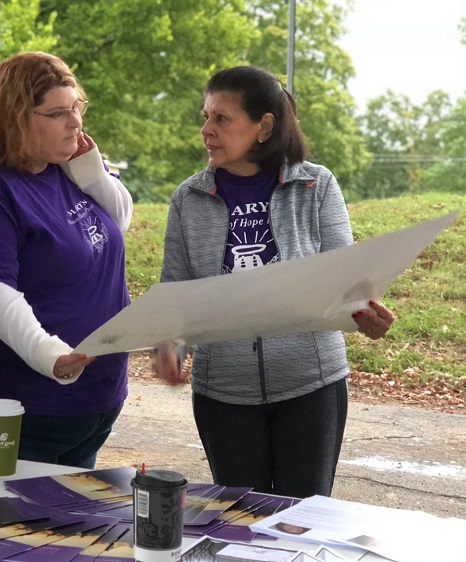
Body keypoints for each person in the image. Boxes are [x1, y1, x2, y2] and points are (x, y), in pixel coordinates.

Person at [154, 66, 395, 498]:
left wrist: (366, 316)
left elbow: (347, 283)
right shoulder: (187, 199)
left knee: (301, 524)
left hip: (311, 387)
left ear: (264, 125)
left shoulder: (316, 186)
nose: (206, 130)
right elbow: (176, 294)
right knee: (240, 524)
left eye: (221, 119)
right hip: (223, 394)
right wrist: (170, 346)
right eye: (205, 117)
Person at [0, 52, 133, 470]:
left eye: (77, 107)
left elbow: (119, 220)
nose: (75, 122)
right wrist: (48, 353)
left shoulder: (63, 164)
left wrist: (91, 169)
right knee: (12, 530)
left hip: (89, 402)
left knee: (71, 532)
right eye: (58, 113)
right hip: (21, 404)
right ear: (15, 118)